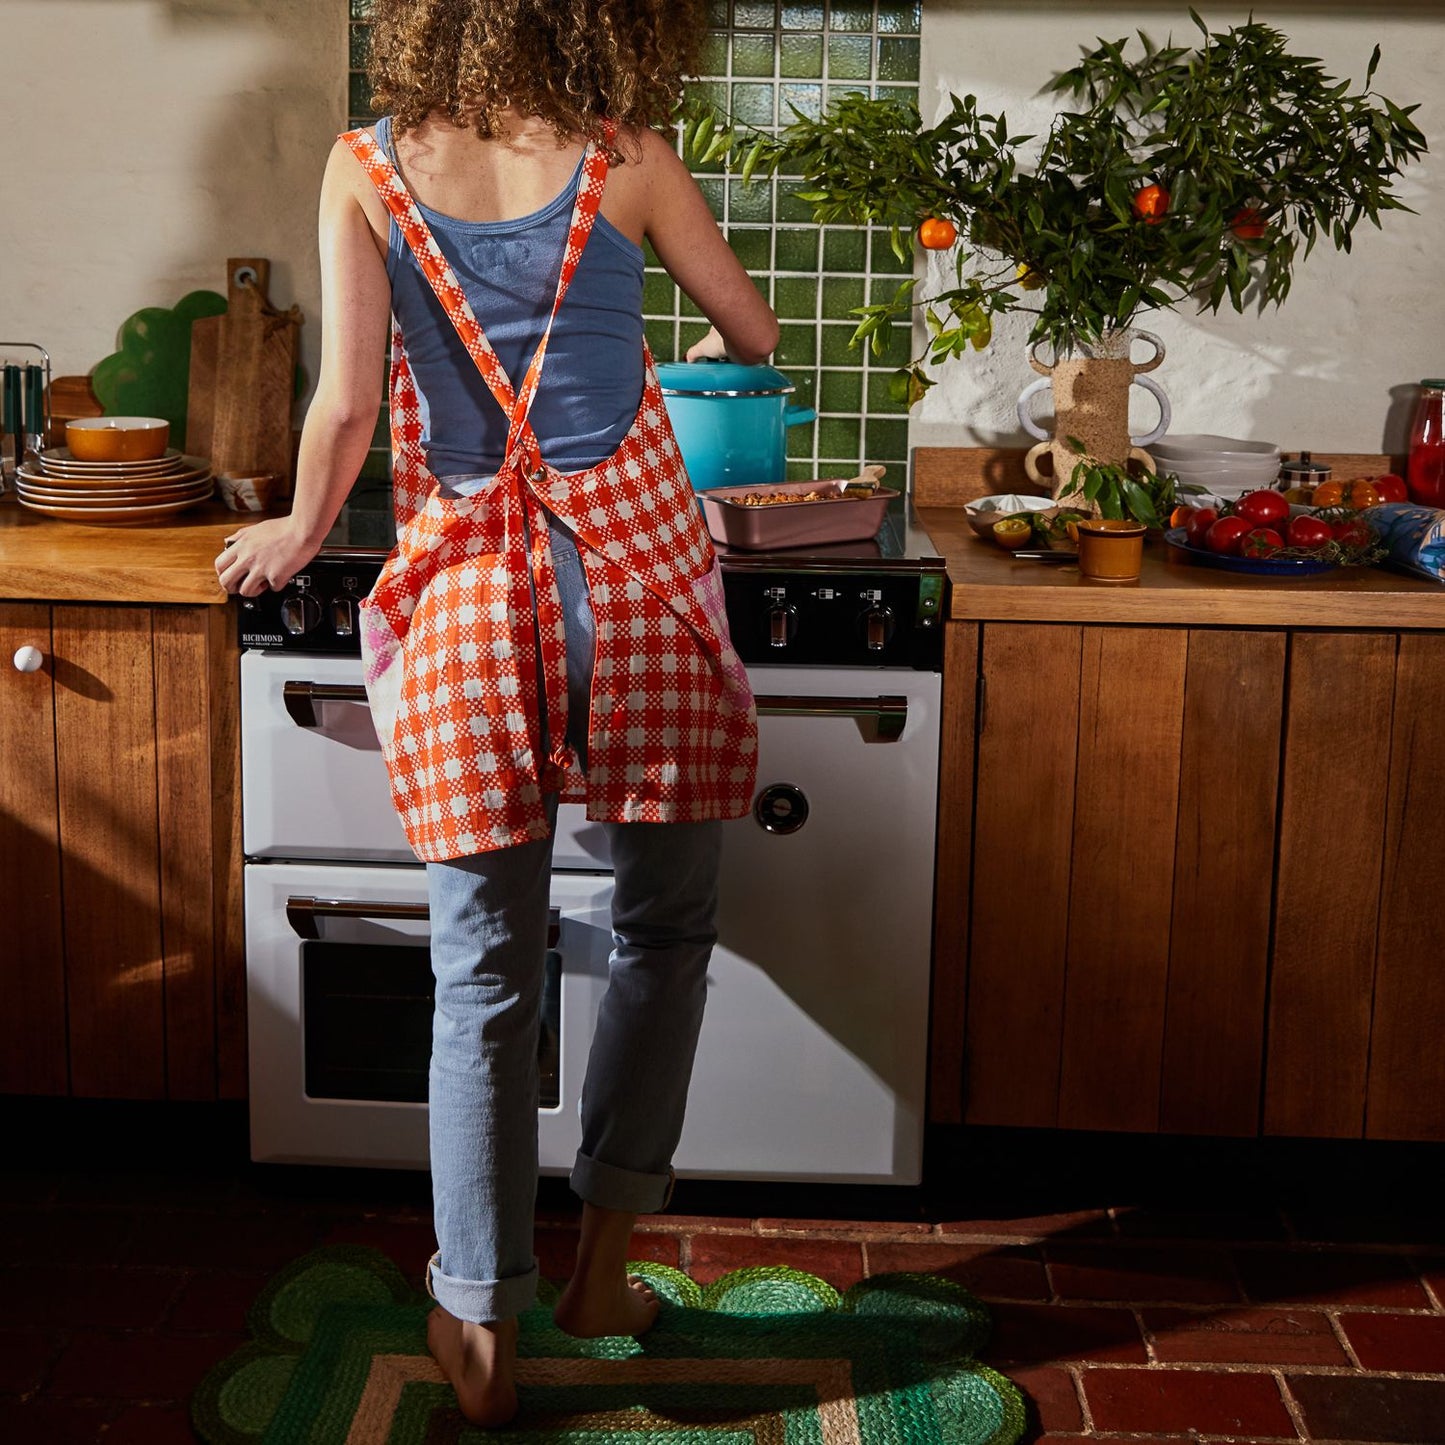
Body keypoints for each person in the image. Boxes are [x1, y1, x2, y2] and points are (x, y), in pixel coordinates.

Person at [216, 0, 778, 1428]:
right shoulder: (628, 156)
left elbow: (346, 406)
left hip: (473, 596)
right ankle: (604, 1274)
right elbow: (748, 331)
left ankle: (478, 1326)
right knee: (663, 931)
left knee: (481, 976)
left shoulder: (367, 164)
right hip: (638, 586)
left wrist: (295, 525)